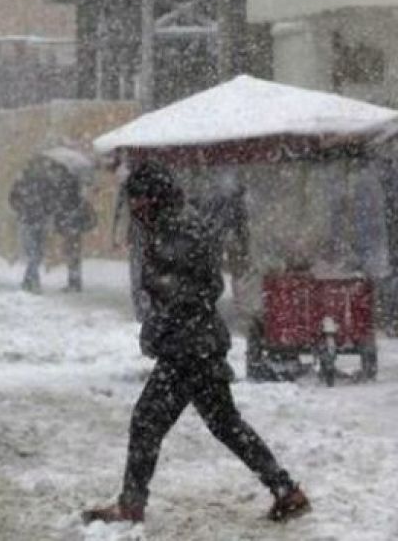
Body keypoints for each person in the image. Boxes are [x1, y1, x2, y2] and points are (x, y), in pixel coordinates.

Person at [83, 161, 310, 526]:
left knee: (146, 422)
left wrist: (165, 317)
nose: (135, 207)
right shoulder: (170, 223)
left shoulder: (179, 227)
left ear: (154, 197)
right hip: (194, 344)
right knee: (225, 423)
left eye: (138, 199)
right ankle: (285, 489)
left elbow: (196, 287)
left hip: (188, 347)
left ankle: (131, 505)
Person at [9, 159, 54, 293]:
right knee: (35, 254)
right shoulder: (32, 183)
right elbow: (13, 199)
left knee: (36, 254)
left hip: (33, 220)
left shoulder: (36, 183)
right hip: (32, 221)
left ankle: (27, 281)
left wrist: (21, 209)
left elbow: (12, 199)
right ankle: (35, 282)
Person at [53, 179, 95, 293]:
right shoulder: (81, 201)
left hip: (69, 231)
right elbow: (91, 219)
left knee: (71, 257)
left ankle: (73, 282)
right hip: (76, 232)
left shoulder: (64, 201)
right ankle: (75, 282)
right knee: (74, 257)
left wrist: (60, 228)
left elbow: (58, 216)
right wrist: (82, 227)